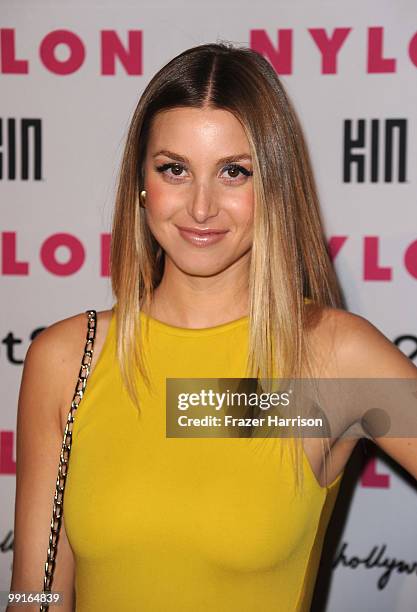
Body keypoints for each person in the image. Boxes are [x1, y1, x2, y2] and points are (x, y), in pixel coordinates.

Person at [8, 42, 417, 612]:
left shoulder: (330, 359)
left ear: (273, 184)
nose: (201, 207)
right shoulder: (65, 358)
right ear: (142, 183)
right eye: (175, 169)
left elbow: (202, 411)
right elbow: (35, 592)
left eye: (234, 172)